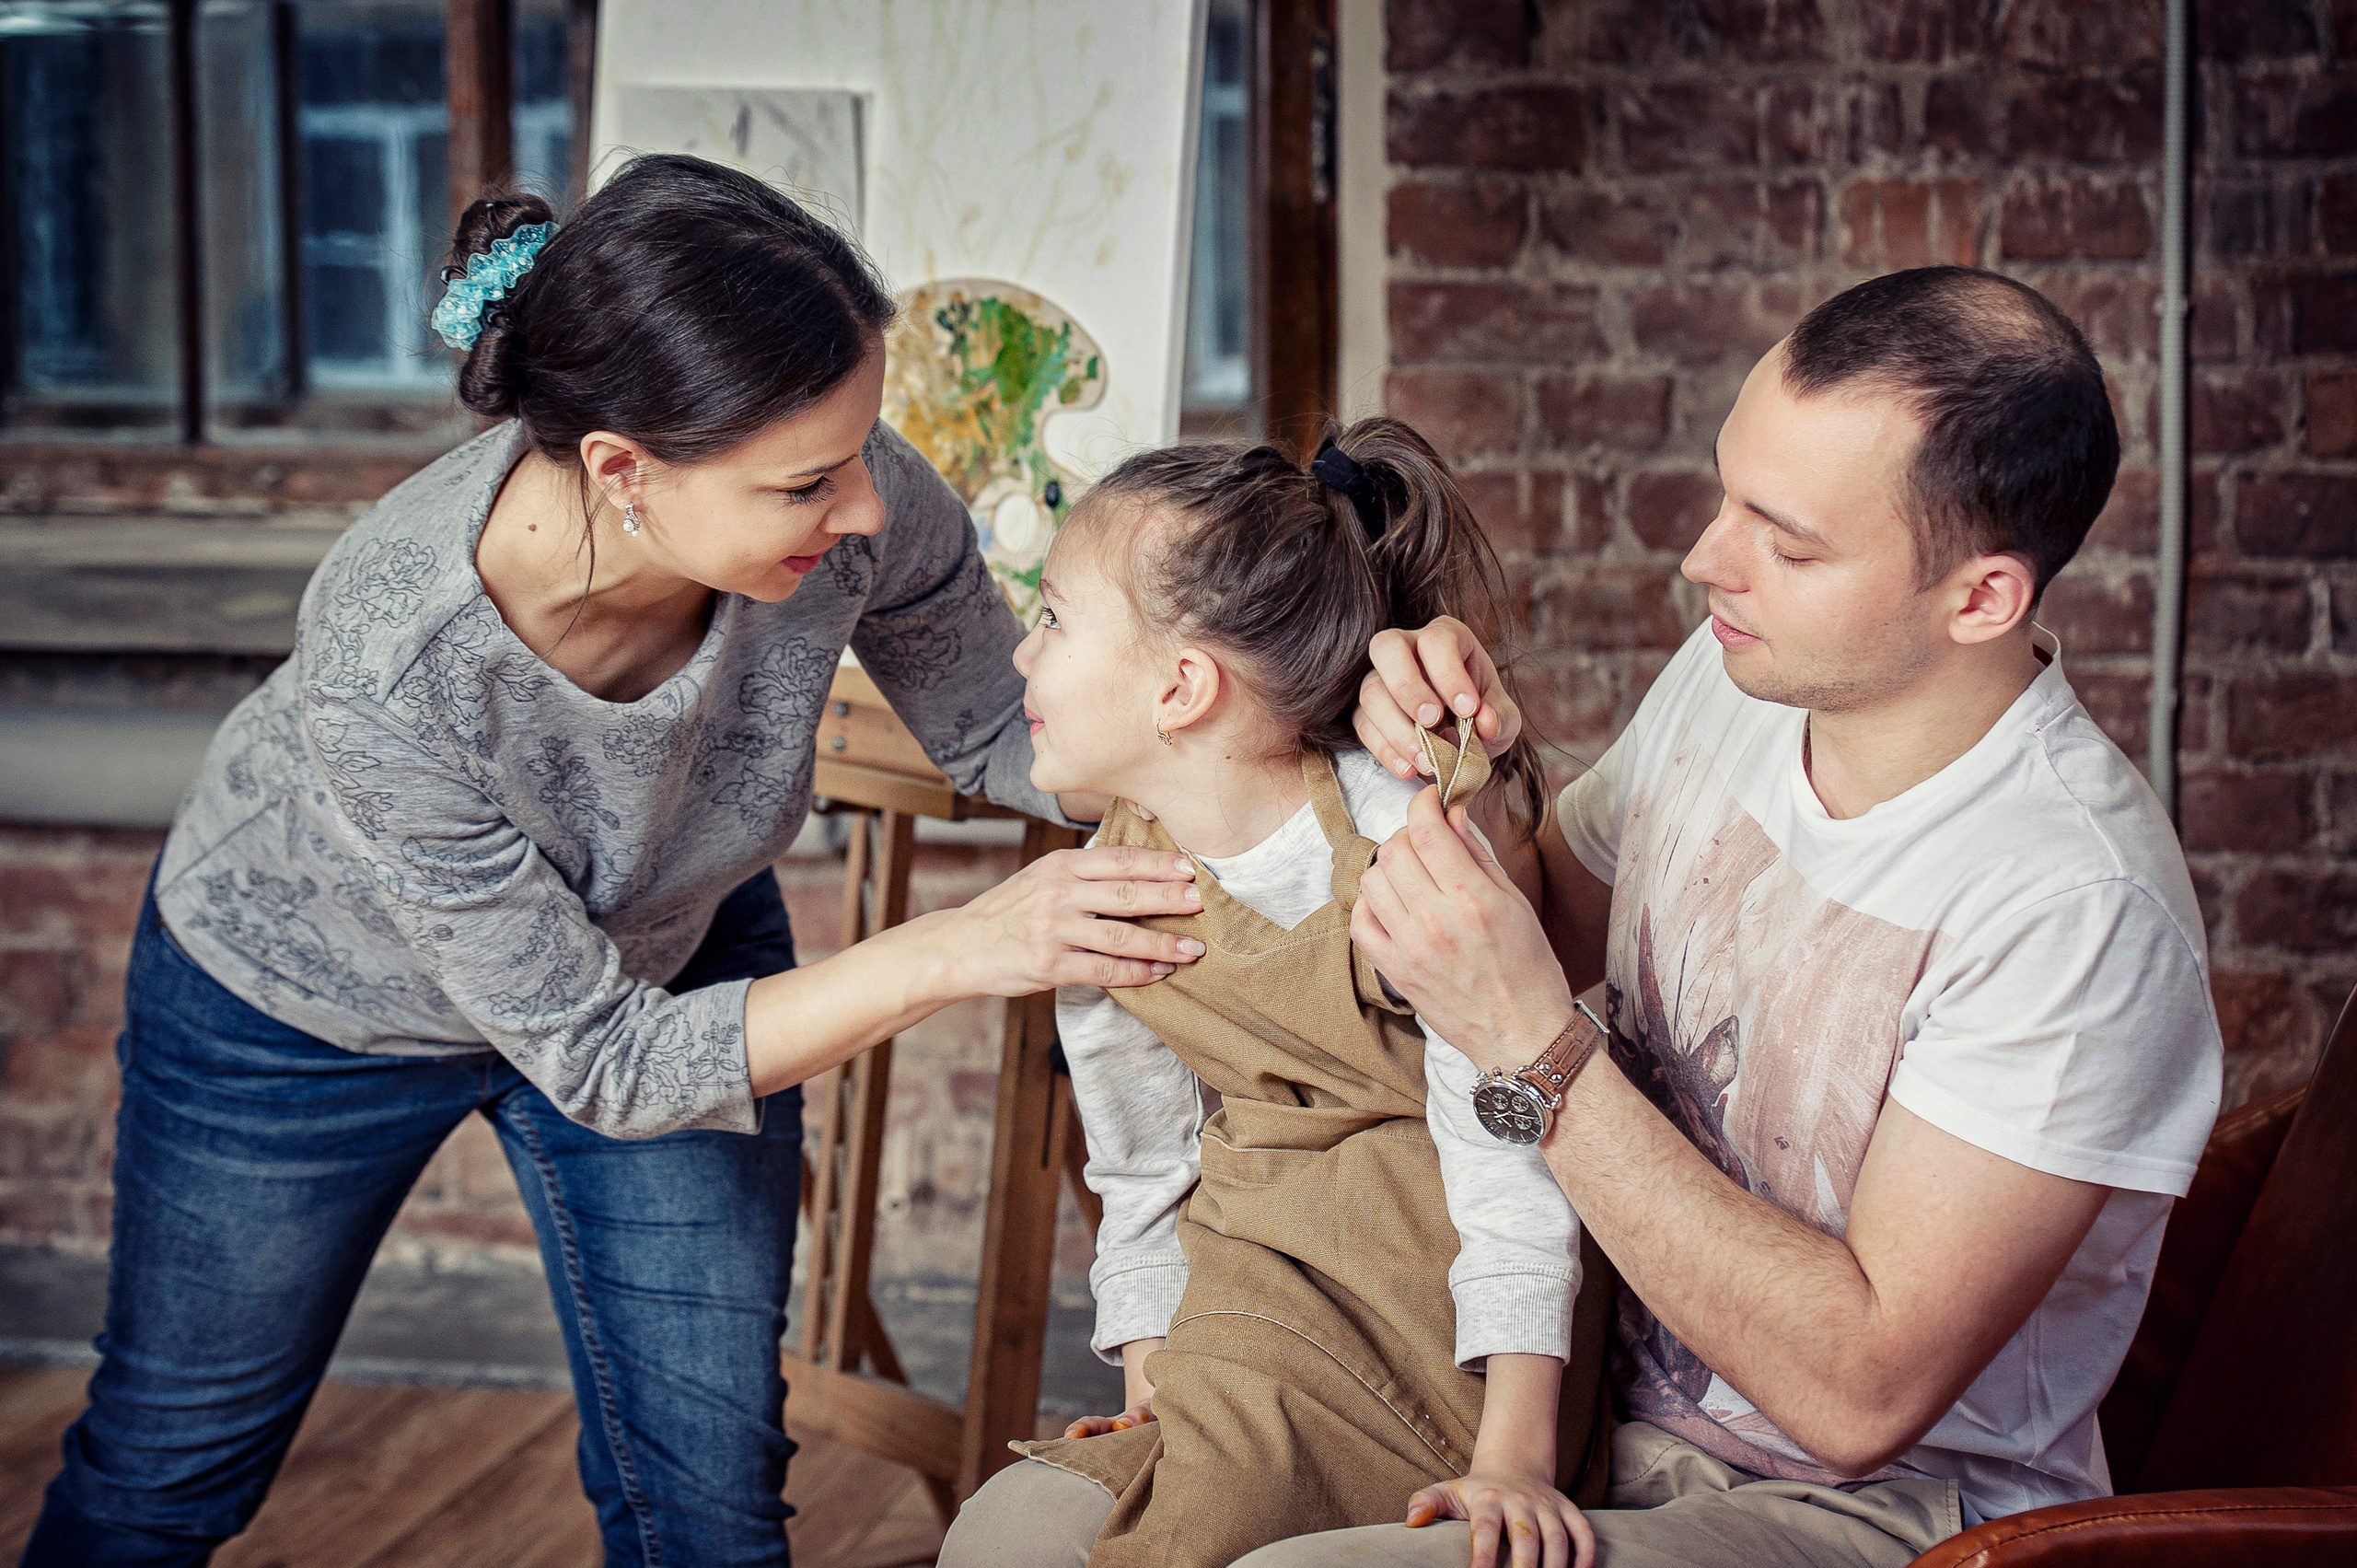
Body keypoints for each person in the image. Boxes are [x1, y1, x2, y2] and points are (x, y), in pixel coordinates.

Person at [20, 154, 1225, 1568]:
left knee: (710, 1508)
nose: (869, 509)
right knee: (169, 1465)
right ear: (619, 469)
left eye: (860, 453)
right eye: (806, 483)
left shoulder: (852, 504)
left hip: (671, 946)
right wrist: (969, 943)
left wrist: (1307, 704)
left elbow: (1001, 728)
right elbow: (605, 1063)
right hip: (304, 1012)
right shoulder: (389, 650)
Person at [1270, 265, 2227, 1568]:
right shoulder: (1746, 674)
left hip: (1893, 1514)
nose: (1706, 559)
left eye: (1789, 542)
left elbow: (1858, 1395)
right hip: (1597, 1394)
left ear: (1982, 598)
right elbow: (1544, 921)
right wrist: (1452, 769)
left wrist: (1537, 1052)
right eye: (1730, 491)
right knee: (1044, 1526)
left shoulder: (2076, 905)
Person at [937, 419, 1615, 1568]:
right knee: (1055, 1520)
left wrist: (1513, 1455)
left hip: (1432, 1296)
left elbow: (1515, 1148)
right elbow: (1142, 1169)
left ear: (1181, 686)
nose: (1019, 654)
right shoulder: (1110, 883)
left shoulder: (1402, 836)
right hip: (1255, 1279)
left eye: (1050, 616)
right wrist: (1157, 1388)